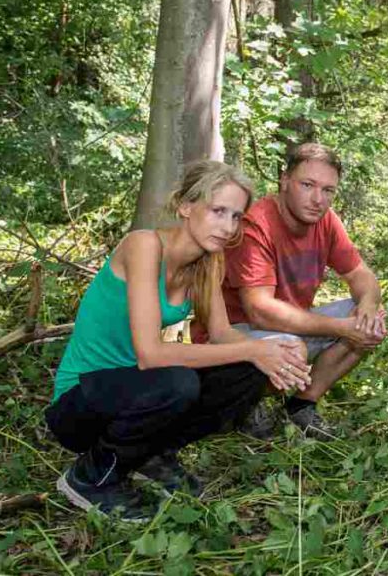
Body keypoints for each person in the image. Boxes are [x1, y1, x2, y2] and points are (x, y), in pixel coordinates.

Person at [45, 160, 312, 521]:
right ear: (186, 206)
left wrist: (276, 348)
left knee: (246, 371)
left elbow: (222, 335)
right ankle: (91, 477)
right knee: (177, 380)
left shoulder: (208, 262)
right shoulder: (143, 245)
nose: (228, 226)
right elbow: (151, 355)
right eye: (218, 211)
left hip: (134, 392)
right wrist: (254, 348)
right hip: (80, 403)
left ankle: (150, 456)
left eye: (236, 216)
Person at [190, 143, 386, 439]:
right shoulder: (256, 225)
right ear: (284, 180)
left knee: (370, 319)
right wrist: (342, 328)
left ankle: (301, 405)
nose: (318, 199)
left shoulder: (326, 221)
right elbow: (260, 311)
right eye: (307, 185)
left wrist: (369, 306)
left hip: (287, 329)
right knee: (293, 344)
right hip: (231, 338)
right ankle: (246, 404)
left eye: (328, 190)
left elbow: (361, 274)